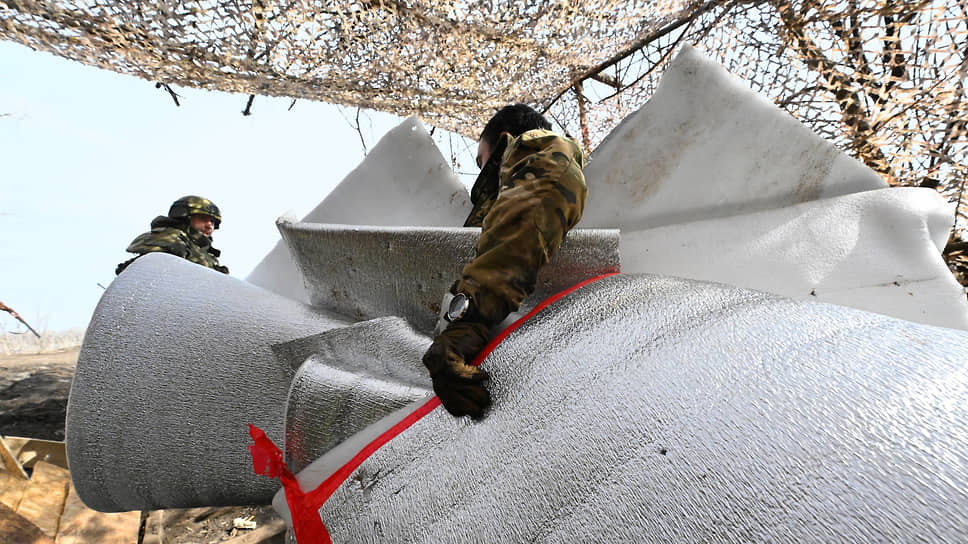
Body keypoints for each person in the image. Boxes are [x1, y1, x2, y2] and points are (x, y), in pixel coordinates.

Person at [422, 104, 588, 418]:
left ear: (501, 141)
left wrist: (465, 320)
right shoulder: (511, 191)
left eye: (481, 160)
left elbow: (528, 214)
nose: (480, 170)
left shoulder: (544, 149)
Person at [116, 196, 229, 275]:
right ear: (185, 217)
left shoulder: (206, 254)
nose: (210, 226)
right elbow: (145, 272)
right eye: (203, 219)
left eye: (213, 222)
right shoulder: (170, 239)